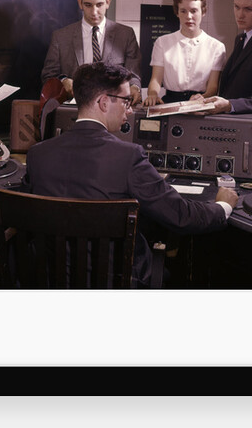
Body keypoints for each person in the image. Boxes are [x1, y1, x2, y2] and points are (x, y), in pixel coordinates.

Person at [25, 62, 237, 288]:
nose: (129, 110)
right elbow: (182, 216)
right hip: (114, 283)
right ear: (104, 102)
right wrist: (222, 206)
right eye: (126, 101)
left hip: (51, 281)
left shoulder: (38, 155)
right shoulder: (128, 157)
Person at [41, 0, 143, 105]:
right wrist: (63, 81)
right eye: (88, 5)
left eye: (99, 5)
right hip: (75, 110)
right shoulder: (61, 37)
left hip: (113, 109)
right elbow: (48, 76)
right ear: (80, 3)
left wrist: (134, 88)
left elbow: (134, 76)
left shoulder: (125, 35)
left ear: (108, 2)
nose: (94, 12)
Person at [142, 0, 227, 106]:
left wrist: (202, 98)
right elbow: (155, 79)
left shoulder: (217, 47)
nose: (189, 17)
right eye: (183, 11)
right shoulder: (162, 42)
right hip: (169, 104)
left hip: (200, 104)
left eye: (194, 11)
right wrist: (153, 94)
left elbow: (213, 87)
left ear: (203, 11)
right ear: (177, 12)